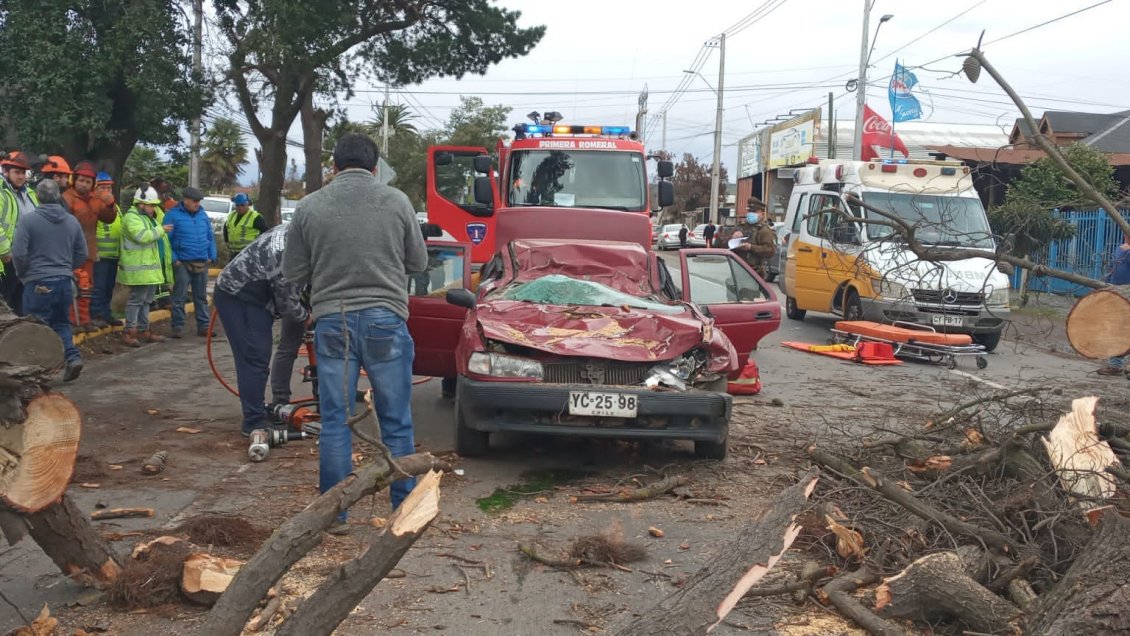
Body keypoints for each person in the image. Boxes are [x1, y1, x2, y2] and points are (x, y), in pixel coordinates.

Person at [283, 133, 427, 528]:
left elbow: (293, 272)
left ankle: (334, 516)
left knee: (335, 420)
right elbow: (418, 261)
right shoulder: (396, 201)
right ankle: (404, 510)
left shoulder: (310, 206)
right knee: (396, 419)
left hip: (333, 322)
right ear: (375, 167)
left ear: (334, 166)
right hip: (385, 319)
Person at [215, 226, 309, 436]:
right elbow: (288, 305)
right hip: (239, 296)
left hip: (259, 293)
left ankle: (268, 410)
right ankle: (254, 422)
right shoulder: (289, 257)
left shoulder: (298, 232)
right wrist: (307, 317)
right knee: (255, 357)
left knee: (258, 355)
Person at [11, 180, 86, 381]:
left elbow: (18, 253)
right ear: (57, 196)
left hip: (38, 282)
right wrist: (66, 268)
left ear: (38, 196)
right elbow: (82, 253)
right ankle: (72, 357)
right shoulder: (71, 221)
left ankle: (38, 374)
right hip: (64, 282)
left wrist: (24, 274)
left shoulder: (28, 221)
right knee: (61, 322)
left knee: (36, 328)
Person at [62, 160, 116, 331]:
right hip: (69, 252)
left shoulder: (95, 199)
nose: (84, 184)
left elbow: (108, 218)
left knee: (86, 287)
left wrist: (110, 205)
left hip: (89, 251)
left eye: (88, 182)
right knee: (72, 287)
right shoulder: (66, 199)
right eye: (81, 180)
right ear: (74, 180)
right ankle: (72, 322)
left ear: (92, 184)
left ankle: (84, 321)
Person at [119, 187, 171, 347]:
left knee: (146, 300)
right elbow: (142, 237)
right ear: (141, 204)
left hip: (149, 270)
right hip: (138, 269)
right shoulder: (131, 218)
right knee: (136, 300)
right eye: (151, 205)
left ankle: (144, 329)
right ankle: (130, 331)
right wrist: (161, 229)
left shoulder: (148, 218)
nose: (153, 208)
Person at [164, 186, 216, 337]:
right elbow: (166, 240)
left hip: (202, 261)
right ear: (185, 200)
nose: (197, 204)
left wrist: (211, 256)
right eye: (194, 201)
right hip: (182, 263)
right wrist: (175, 260)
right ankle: (177, 327)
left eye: (198, 201)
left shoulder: (203, 215)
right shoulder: (173, 216)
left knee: (201, 297)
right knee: (179, 297)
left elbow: (209, 237)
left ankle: (204, 326)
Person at [1, 151, 40, 314]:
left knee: (21, 304)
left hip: (25, 258)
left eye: (23, 172)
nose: (21, 176)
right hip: (6, 260)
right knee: (5, 303)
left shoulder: (30, 194)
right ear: (5, 171)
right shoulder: (2, 193)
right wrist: (4, 251)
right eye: (17, 172)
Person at [91, 173, 123, 327]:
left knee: (109, 287)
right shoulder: (93, 204)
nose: (106, 191)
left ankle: (106, 313)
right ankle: (96, 315)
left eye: (109, 187)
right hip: (99, 255)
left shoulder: (114, 206)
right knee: (98, 287)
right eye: (102, 187)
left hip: (113, 254)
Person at [1098, 230, 1130, 377]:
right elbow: (1113, 268)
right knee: (1116, 328)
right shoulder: (1119, 249)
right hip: (1116, 292)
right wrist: (1107, 285)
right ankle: (1115, 365)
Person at [739, 197, 776, 278]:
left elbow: (771, 250)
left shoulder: (764, 231)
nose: (750, 214)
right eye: (749, 211)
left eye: (754, 212)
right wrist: (732, 237)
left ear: (762, 214)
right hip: (737, 271)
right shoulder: (741, 227)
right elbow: (721, 243)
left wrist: (751, 247)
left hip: (754, 273)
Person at [223, 193, 267, 257]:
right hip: (233, 252)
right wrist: (226, 241)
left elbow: (266, 233)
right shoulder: (232, 215)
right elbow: (226, 228)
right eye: (237, 205)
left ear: (247, 204)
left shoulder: (255, 217)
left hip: (249, 253)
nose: (240, 208)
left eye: (242, 205)